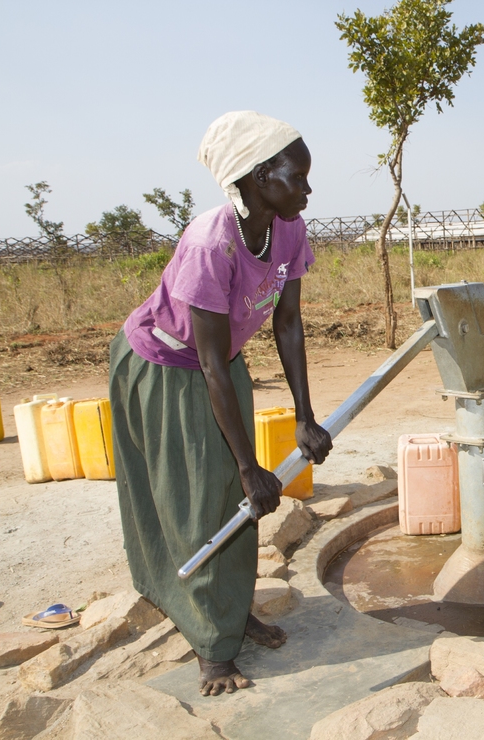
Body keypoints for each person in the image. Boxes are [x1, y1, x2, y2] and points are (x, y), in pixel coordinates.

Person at [109, 111, 333, 696]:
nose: (309, 189)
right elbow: (204, 361)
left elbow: (288, 324)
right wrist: (245, 462)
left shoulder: (289, 228)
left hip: (222, 365)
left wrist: (305, 419)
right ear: (259, 177)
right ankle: (211, 647)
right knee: (196, 501)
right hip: (165, 366)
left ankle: (229, 613)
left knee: (241, 500)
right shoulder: (211, 242)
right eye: (299, 177)